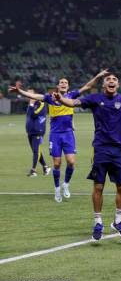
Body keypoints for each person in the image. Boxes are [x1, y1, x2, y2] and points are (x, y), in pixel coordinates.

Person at [54, 73, 121, 240]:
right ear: (103, 85)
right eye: (108, 79)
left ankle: (118, 221)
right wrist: (60, 98)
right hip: (100, 149)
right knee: (98, 187)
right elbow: (72, 102)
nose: (111, 81)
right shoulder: (94, 98)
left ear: (118, 84)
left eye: (114, 79)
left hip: (119, 150)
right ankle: (98, 222)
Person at [9, 70, 108, 202]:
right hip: (55, 135)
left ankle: (65, 184)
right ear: (57, 85)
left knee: (71, 162)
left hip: (68, 134)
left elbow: (88, 86)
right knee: (56, 164)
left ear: (68, 86)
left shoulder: (72, 95)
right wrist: (20, 92)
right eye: (61, 82)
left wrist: (98, 76)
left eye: (65, 83)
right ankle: (57, 190)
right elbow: (35, 96)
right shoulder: (50, 97)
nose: (63, 84)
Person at [24, 88, 50, 177]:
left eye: (30, 93)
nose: (28, 94)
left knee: (36, 151)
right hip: (30, 131)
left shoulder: (41, 104)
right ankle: (46, 167)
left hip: (38, 131)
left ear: (35, 94)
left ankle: (33, 170)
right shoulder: (31, 104)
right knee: (36, 151)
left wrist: (31, 104)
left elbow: (34, 115)